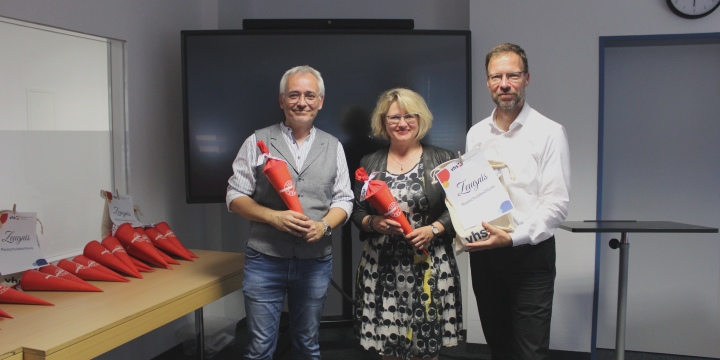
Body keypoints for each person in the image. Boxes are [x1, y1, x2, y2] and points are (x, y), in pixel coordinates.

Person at [226, 65, 353, 360]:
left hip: (315, 262)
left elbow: (345, 199)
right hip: (265, 260)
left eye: (310, 95)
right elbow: (234, 196)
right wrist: (273, 217)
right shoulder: (256, 141)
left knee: (308, 345)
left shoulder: (333, 146)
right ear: (282, 100)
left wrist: (323, 226)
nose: (302, 102)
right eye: (294, 95)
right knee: (259, 349)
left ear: (320, 101)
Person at [465, 43, 571, 359]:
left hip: (530, 257)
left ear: (526, 78)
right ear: (487, 82)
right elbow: (473, 193)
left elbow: (556, 204)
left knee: (529, 352)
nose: (504, 84)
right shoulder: (476, 134)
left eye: (513, 75)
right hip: (485, 257)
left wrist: (512, 238)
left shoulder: (550, 132)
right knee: (499, 347)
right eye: (496, 77)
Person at [351, 88, 463, 360]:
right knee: (388, 346)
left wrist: (434, 229)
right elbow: (356, 211)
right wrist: (373, 222)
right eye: (394, 118)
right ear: (384, 122)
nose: (402, 123)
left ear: (420, 119)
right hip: (382, 269)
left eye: (409, 116)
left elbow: (460, 207)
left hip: (430, 266)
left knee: (426, 348)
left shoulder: (443, 158)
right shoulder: (369, 162)